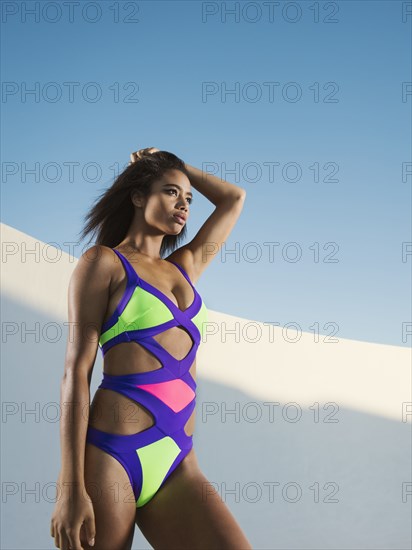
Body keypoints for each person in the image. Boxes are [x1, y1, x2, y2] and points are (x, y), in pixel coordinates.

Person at [50, 148, 251, 550]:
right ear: (138, 196)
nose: (183, 205)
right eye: (171, 192)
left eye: (189, 199)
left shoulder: (186, 266)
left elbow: (234, 198)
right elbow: (76, 371)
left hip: (178, 461)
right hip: (113, 458)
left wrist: (171, 164)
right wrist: (70, 488)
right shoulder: (103, 263)